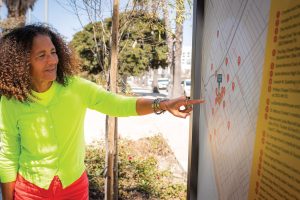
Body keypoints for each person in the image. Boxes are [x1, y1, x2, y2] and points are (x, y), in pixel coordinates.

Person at [0, 24, 204, 200]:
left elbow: (117, 104)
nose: (52, 60)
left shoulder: (75, 88)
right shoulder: (11, 102)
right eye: (41, 55)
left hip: (74, 189)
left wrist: (163, 104)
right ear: (22, 63)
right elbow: (8, 156)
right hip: (30, 192)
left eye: (53, 52)